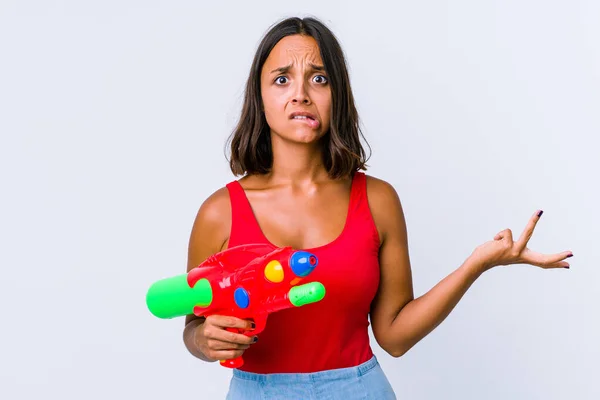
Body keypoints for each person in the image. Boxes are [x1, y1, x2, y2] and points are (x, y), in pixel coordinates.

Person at [181, 16, 573, 400]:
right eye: (282, 79)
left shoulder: (377, 200)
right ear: (260, 95)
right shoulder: (219, 213)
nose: (300, 93)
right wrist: (203, 338)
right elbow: (193, 326)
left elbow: (395, 336)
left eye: (319, 78)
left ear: (338, 94)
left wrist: (476, 264)